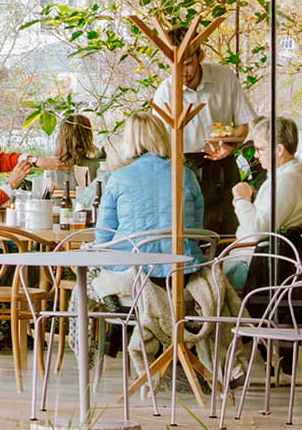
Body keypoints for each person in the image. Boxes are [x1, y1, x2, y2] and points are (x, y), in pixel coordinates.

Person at [91, 112, 223, 353]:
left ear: (129, 141)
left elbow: (103, 237)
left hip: (135, 274)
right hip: (180, 272)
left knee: (90, 273)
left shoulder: (117, 178)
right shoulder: (186, 175)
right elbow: (195, 227)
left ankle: (109, 329)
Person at [225, 116, 302, 293]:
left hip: (255, 269)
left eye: (260, 149)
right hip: (263, 263)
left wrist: (241, 200)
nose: (257, 155)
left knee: (196, 281)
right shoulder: (291, 175)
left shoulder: (285, 182)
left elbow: (255, 232)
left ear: (279, 150)